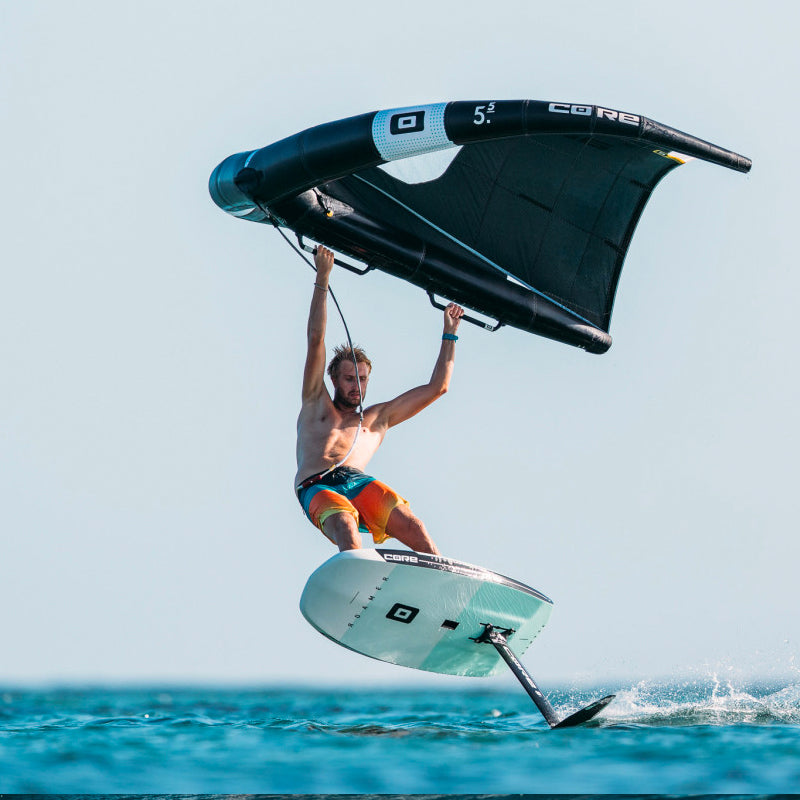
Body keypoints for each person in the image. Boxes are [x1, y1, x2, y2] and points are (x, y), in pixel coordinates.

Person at [295, 246, 464, 554]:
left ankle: (439, 577)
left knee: (413, 526)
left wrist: (449, 334)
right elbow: (316, 338)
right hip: (315, 485)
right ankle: (356, 575)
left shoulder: (376, 419)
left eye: (362, 379)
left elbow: (438, 387)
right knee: (345, 525)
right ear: (334, 379)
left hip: (356, 481)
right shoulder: (315, 402)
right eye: (349, 379)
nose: (357, 386)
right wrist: (323, 277)